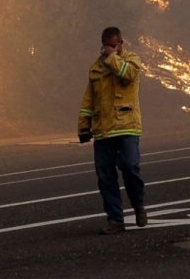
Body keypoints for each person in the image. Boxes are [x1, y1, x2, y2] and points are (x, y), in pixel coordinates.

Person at [78, 26, 147, 234]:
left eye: (114, 46)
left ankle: (138, 206)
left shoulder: (132, 60)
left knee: (130, 167)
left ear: (121, 44)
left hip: (127, 127)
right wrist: (83, 125)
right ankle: (115, 220)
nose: (110, 49)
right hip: (103, 131)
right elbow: (89, 99)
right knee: (105, 177)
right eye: (107, 46)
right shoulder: (95, 68)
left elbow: (127, 76)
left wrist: (112, 57)